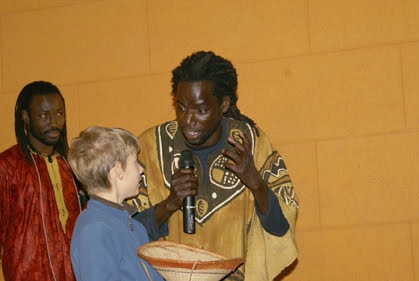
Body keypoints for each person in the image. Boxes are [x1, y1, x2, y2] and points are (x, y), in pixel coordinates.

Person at [130, 51, 299, 281]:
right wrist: (170, 203)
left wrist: (256, 183)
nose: (187, 120)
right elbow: (127, 233)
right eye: (181, 107)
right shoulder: (149, 148)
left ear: (223, 104)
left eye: (200, 110)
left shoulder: (251, 142)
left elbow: (280, 229)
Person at [0, 81, 81, 281]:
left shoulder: (74, 165)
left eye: (59, 113)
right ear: (26, 117)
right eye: (44, 115)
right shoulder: (6, 167)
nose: (54, 122)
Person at [68, 126, 164, 281]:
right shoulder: (95, 229)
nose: (141, 170)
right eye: (135, 162)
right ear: (118, 169)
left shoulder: (134, 225)